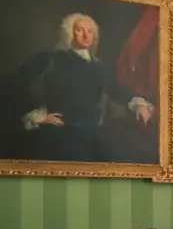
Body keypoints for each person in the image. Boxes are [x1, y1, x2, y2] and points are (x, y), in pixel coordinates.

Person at [0, 13, 155, 162]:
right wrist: (37, 116)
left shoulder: (98, 66)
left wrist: (139, 104)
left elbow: (116, 89)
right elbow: (15, 85)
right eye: (80, 30)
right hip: (58, 135)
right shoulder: (49, 59)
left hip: (90, 135)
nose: (86, 35)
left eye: (90, 31)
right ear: (69, 33)